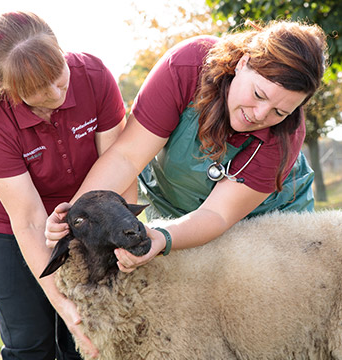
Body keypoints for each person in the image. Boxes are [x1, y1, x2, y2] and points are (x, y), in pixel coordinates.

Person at [46, 19, 327, 274]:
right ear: (243, 62)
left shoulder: (285, 134)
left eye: (280, 112)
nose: (260, 115)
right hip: (171, 206)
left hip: (264, 218)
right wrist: (74, 216)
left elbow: (217, 214)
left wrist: (163, 237)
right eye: (258, 95)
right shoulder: (187, 65)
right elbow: (127, 158)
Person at [0, 11, 133, 359]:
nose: (57, 93)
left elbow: (120, 170)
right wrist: (62, 305)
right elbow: (28, 219)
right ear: (6, 88)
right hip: (12, 226)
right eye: (38, 91)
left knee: (83, 341)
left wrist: (125, 243)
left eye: (59, 78)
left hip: (84, 215)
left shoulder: (93, 76)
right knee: (31, 342)